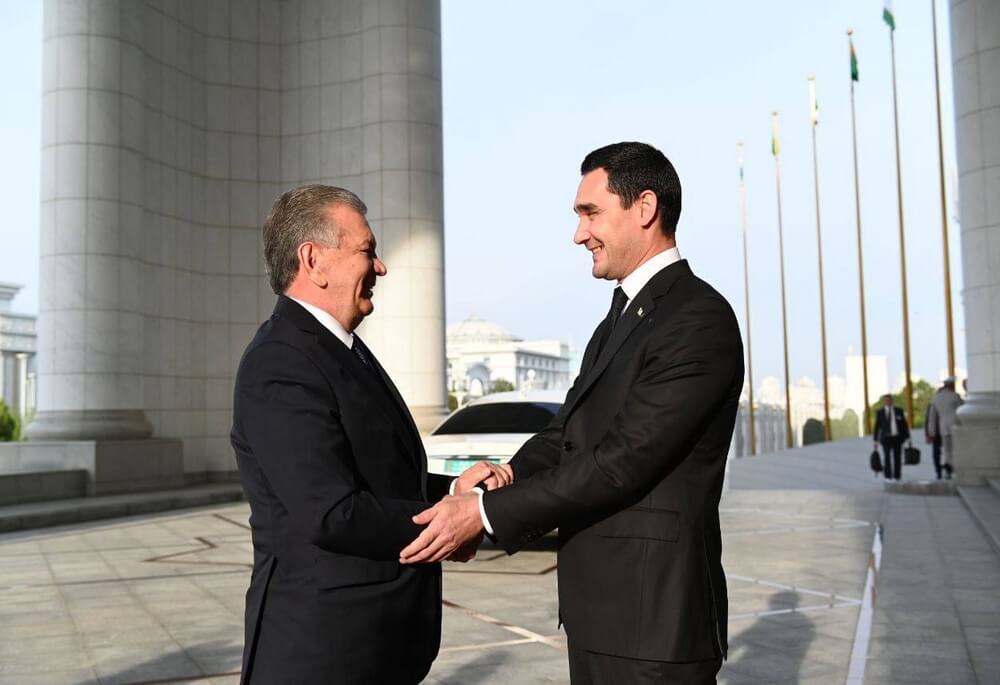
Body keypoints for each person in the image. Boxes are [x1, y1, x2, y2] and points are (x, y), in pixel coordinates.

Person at [401, 142, 744, 682]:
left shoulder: (697, 319)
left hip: (655, 625)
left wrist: (484, 514)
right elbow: (566, 432)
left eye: (590, 214)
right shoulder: (619, 319)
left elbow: (621, 461)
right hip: (601, 617)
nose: (579, 234)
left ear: (645, 207)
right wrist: (505, 475)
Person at [230, 185, 510, 684]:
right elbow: (332, 511)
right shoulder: (281, 361)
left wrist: (454, 490)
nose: (380, 267)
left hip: (373, 648)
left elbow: (380, 475)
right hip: (324, 655)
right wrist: (449, 523)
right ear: (313, 260)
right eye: (367, 250)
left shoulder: (340, 349)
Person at [927, 377, 963, 480]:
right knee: (956, 449)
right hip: (956, 425)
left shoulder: (936, 397)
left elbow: (932, 417)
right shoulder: (955, 396)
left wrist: (932, 432)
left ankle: (948, 470)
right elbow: (961, 410)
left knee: (947, 450)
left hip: (943, 427)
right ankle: (954, 469)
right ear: (951, 385)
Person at [873, 394, 910, 482]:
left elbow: (904, 425)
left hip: (897, 437)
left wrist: (908, 438)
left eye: (889, 400)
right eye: (886, 400)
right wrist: (875, 441)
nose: (888, 402)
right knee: (887, 457)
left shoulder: (899, 411)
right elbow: (877, 427)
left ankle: (897, 476)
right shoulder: (880, 412)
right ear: (884, 402)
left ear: (892, 401)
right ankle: (888, 476)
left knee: (897, 457)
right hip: (886, 438)